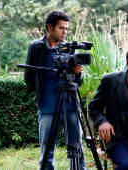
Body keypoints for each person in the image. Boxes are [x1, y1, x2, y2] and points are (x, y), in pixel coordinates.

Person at [24, 10, 86, 170]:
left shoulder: (70, 48)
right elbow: (29, 78)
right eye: (61, 28)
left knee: (76, 147)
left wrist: (78, 74)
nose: (65, 32)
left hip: (70, 106)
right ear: (49, 27)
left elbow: (78, 82)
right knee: (46, 149)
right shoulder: (36, 47)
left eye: (66, 28)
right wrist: (41, 94)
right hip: (47, 107)